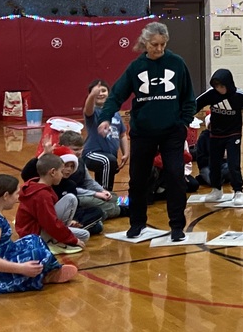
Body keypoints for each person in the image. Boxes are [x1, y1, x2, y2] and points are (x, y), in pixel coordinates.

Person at [96, 21, 196, 242]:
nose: (159, 49)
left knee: (175, 177)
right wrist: (105, 119)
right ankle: (137, 223)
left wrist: (183, 122)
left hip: (172, 132)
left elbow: (189, 97)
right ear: (145, 43)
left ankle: (177, 226)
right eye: (154, 44)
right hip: (143, 132)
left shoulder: (177, 63)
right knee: (138, 179)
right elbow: (116, 96)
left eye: (162, 44)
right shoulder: (135, 67)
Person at [0, 174, 78, 294]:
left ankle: (46, 272)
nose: (18, 197)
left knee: (34, 239)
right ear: (6, 196)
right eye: (16, 193)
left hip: (3, 254)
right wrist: (21, 268)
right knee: (36, 254)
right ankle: (42, 275)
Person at [195, 69, 243, 204]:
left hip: (233, 133)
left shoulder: (238, 95)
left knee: (233, 163)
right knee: (214, 163)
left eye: (222, 86)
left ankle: (239, 191)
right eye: (216, 86)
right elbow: (195, 104)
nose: (219, 89)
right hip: (216, 134)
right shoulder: (211, 94)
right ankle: (216, 190)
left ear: (228, 84)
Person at [16, 153, 88, 253]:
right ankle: (52, 242)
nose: (62, 175)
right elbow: (50, 223)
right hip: (34, 234)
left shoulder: (38, 186)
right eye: (61, 172)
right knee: (71, 199)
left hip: (34, 231)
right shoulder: (42, 194)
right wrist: (72, 239)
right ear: (53, 172)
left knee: (84, 235)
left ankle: (54, 240)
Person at [82, 79, 129, 191]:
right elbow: (87, 109)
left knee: (111, 163)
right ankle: (106, 195)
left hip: (110, 156)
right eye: (97, 91)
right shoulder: (93, 112)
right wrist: (92, 96)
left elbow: (122, 135)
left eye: (103, 90)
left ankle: (103, 195)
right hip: (92, 154)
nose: (100, 93)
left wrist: (126, 153)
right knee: (108, 161)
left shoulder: (115, 114)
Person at [195, 115, 230, 188]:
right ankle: (214, 178)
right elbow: (200, 159)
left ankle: (219, 177)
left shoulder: (223, 136)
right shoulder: (203, 138)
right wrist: (215, 157)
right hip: (207, 166)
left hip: (221, 165)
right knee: (213, 181)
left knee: (230, 169)